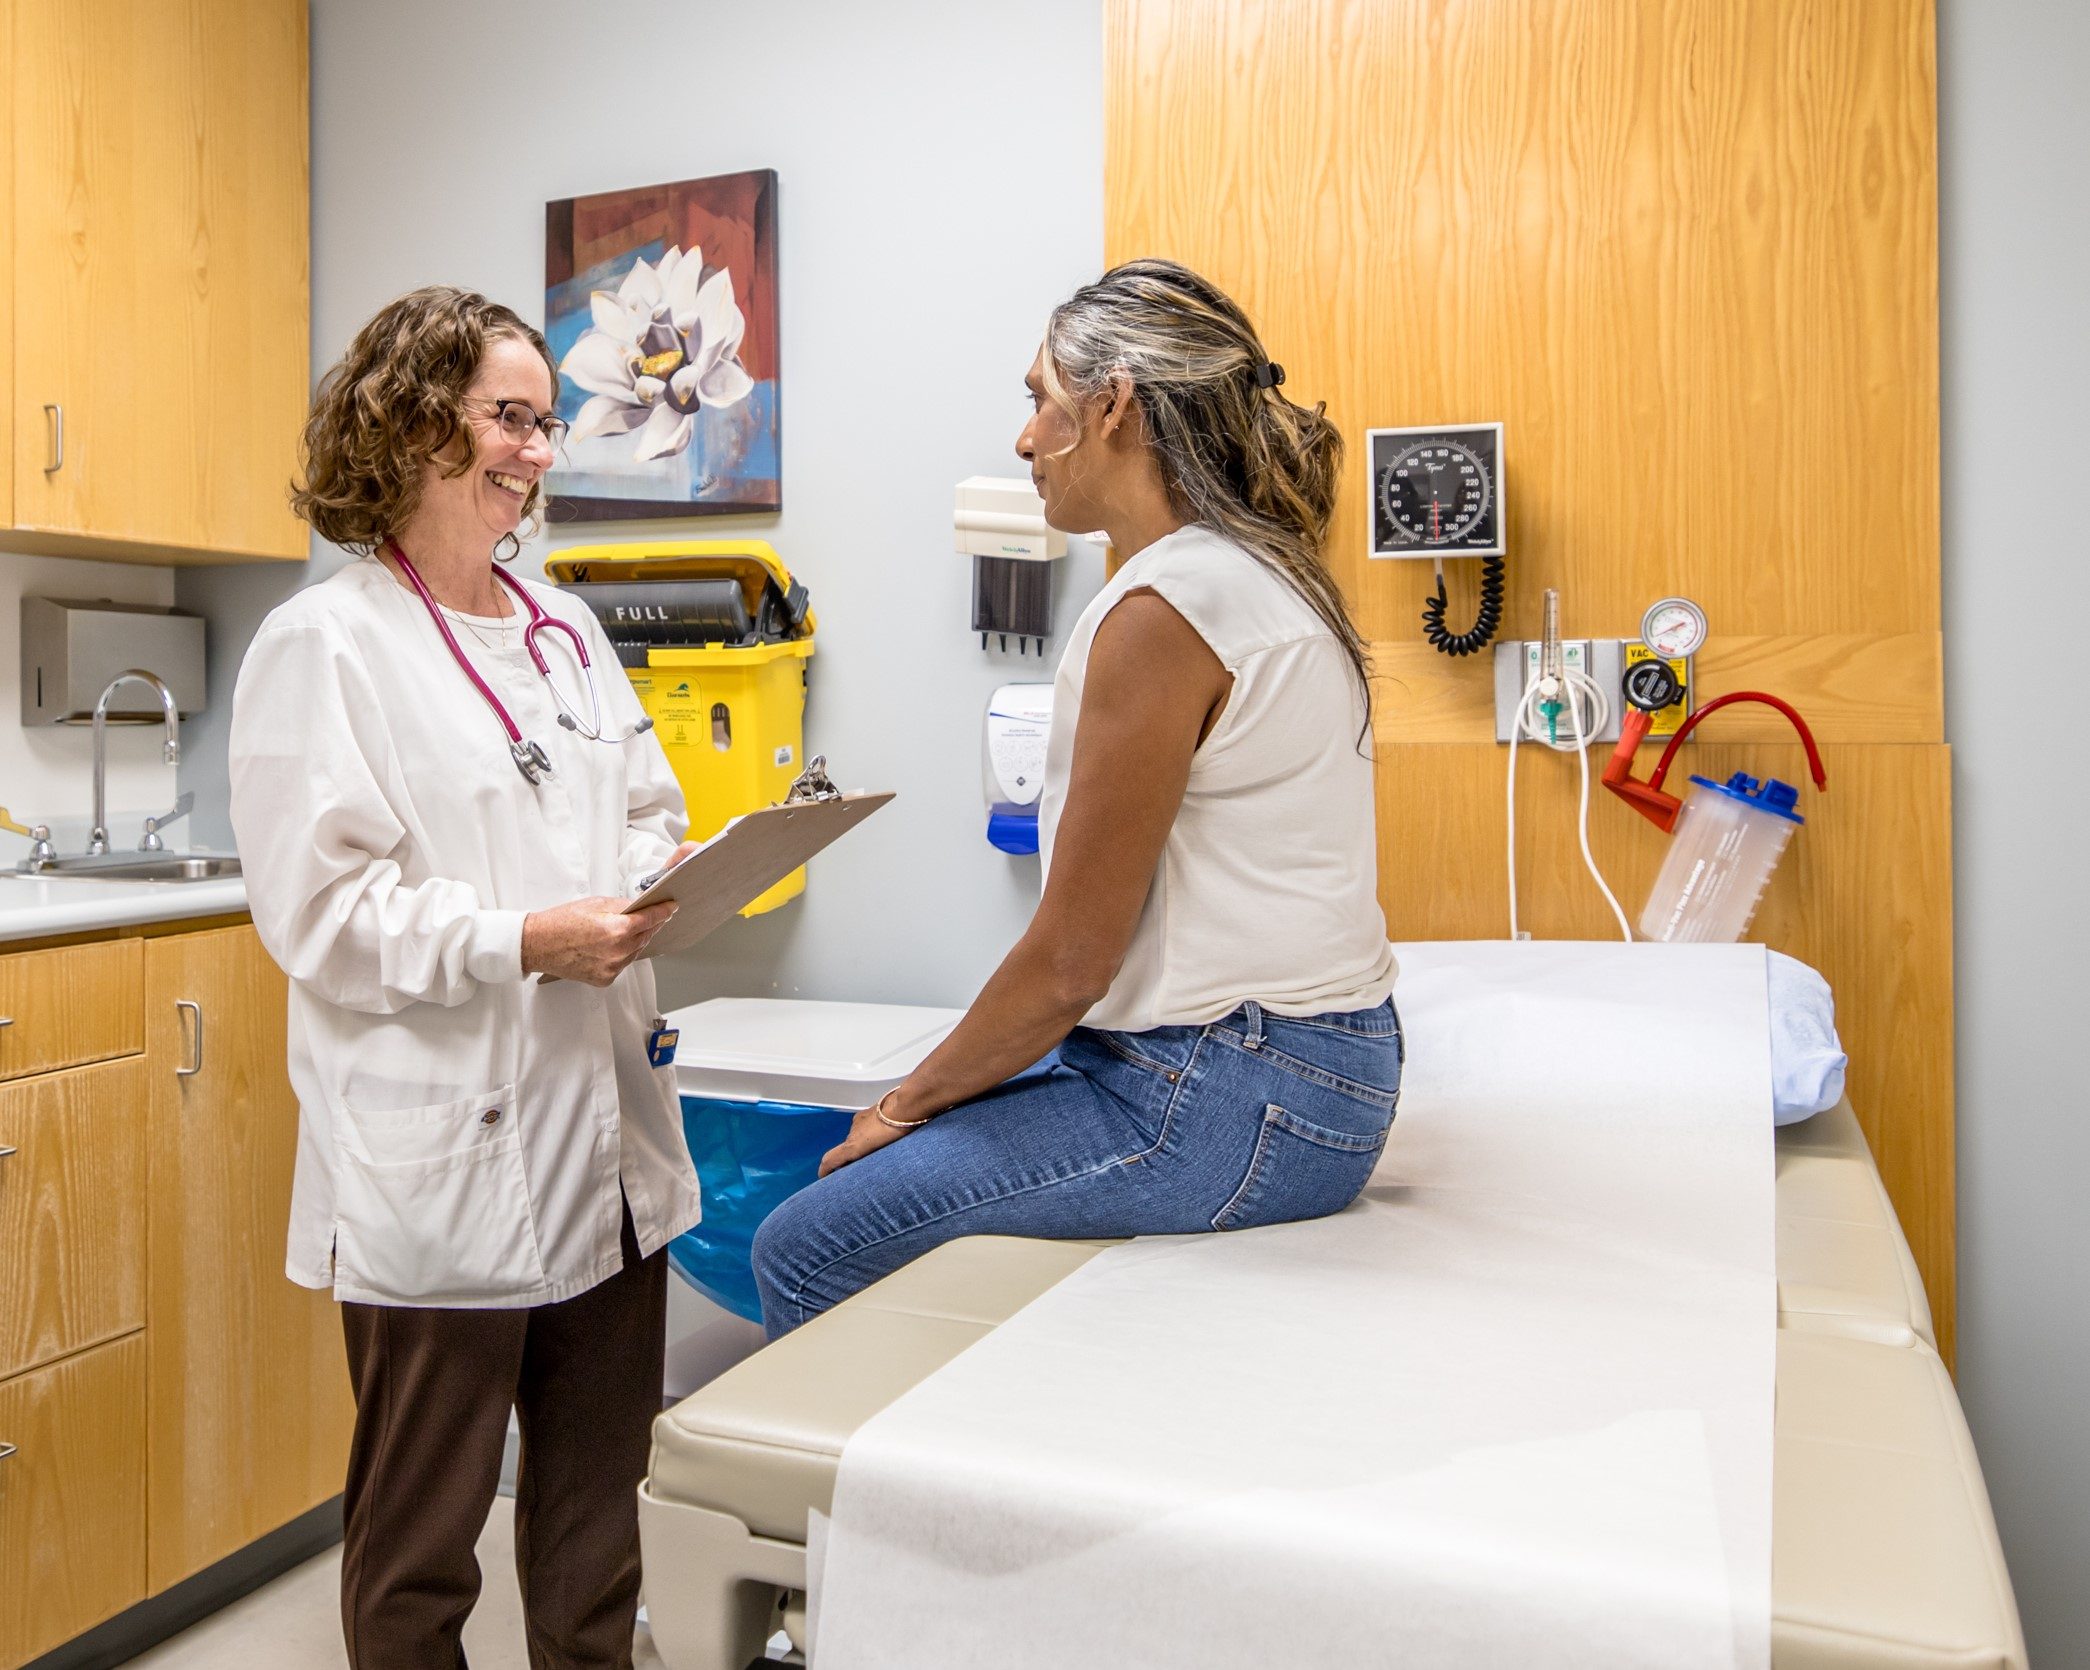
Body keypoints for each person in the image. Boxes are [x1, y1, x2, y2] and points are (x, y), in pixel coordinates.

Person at [752, 258, 1400, 1337]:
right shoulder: (1261, 571)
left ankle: (897, 1507)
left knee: (808, 1239)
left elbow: (1069, 960)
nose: (1020, 439)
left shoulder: (1167, 607)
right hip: (1322, 1075)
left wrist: (901, 1103)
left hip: (1228, 1094)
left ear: (1114, 407)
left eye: (1037, 401)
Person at [229, 285, 703, 1669]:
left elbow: (649, 807)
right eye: (510, 417)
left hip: (609, 1136)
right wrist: (522, 940)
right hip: (443, 1152)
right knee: (421, 1541)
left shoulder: (563, 628)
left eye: (549, 423)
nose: (539, 450)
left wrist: (669, 876)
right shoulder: (327, 643)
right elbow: (324, 915)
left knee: (590, 1523)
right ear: (409, 417)